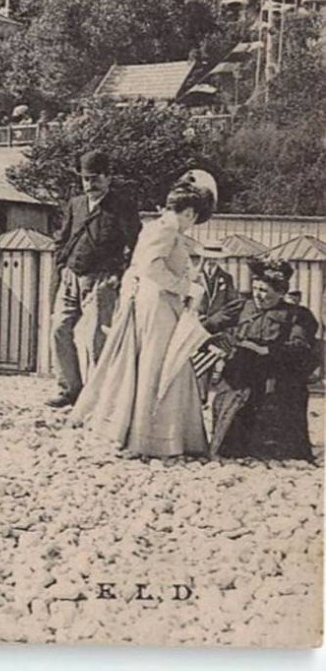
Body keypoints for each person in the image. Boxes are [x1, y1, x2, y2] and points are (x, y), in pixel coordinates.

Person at [74, 172, 215, 458]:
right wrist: (186, 287)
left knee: (158, 362)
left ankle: (149, 432)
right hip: (158, 304)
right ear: (187, 212)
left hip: (154, 302)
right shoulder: (166, 230)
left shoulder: (157, 227)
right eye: (192, 219)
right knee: (159, 363)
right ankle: (150, 437)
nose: (191, 226)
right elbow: (152, 267)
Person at [48, 150, 141, 407]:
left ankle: (99, 396)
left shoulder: (122, 206)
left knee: (96, 338)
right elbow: (62, 238)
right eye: (86, 179)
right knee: (59, 329)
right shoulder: (75, 204)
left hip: (101, 280)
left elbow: (136, 244)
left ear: (108, 177)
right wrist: (61, 266)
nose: (90, 184)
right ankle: (69, 389)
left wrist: (120, 276)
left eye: (96, 178)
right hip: (70, 277)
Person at [205, 258, 319, 462]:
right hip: (240, 375)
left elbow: (300, 348)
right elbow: (208, 327)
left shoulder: (297, 315)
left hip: (275, 375)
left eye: (265, 291)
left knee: (273, 426)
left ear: (281, 293)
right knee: (232, 418)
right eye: (256, 288)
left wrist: (264, 349)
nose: (258, 295)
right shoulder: (241, 307)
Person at [195, 241, 239, 323]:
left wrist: (217, 319)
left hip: (217, 323)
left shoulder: (227, 278)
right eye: (208, 256)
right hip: (195, 322)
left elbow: (232, 303)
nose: (211, 260)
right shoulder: (195, 277)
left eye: (214, 257)